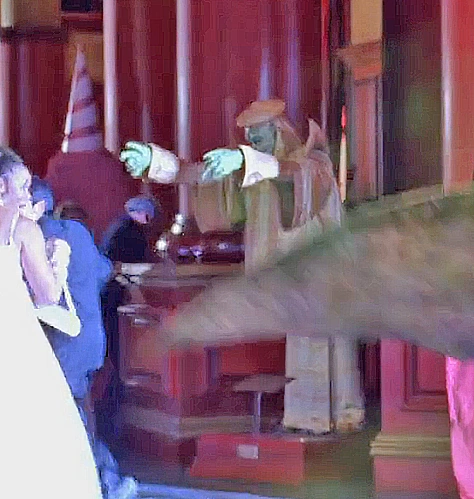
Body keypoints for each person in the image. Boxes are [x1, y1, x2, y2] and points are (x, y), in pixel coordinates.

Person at [119, 99, 364, 433]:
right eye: (249, 137)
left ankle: (327, 417)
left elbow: (295, 176)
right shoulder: (254, 166)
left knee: (322, 345)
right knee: (300, 344)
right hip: (285, 273)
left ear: (277, 129)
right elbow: (200, 174)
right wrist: (158, 163)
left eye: (258, 135)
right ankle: (304, 417)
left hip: (321, 270)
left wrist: (248, 160)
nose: (252, 142)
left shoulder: (310, 161)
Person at [0, 147, 102, 498]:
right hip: (15, 337)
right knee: (35, 427)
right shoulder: (22, 228)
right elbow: (47, 294)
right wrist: (59, 259)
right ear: (2, 186)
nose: (27, 196)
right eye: (23, 187)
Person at [30, 176, 138, 499]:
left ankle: (104, 480)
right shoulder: (77, 233)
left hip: (61, 345)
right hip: (91, 339)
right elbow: (103, 272)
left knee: (69, 418)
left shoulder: (34, 237)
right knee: (80, 412)